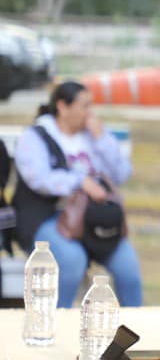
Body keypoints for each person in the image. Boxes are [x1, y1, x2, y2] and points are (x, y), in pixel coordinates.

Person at [11, 80, 142, 307]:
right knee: (72, 260)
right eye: (85, 106)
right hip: (48, 218)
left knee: (128, 268)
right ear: (63, 106)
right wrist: (80, 182)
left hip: (93, 220)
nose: (89, 113)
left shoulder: (92, 137)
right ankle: (59, 324)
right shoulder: (36, 137)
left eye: (91, 106)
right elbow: (39, 179)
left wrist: (103, 140)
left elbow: (121, 174)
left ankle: (134, 332)